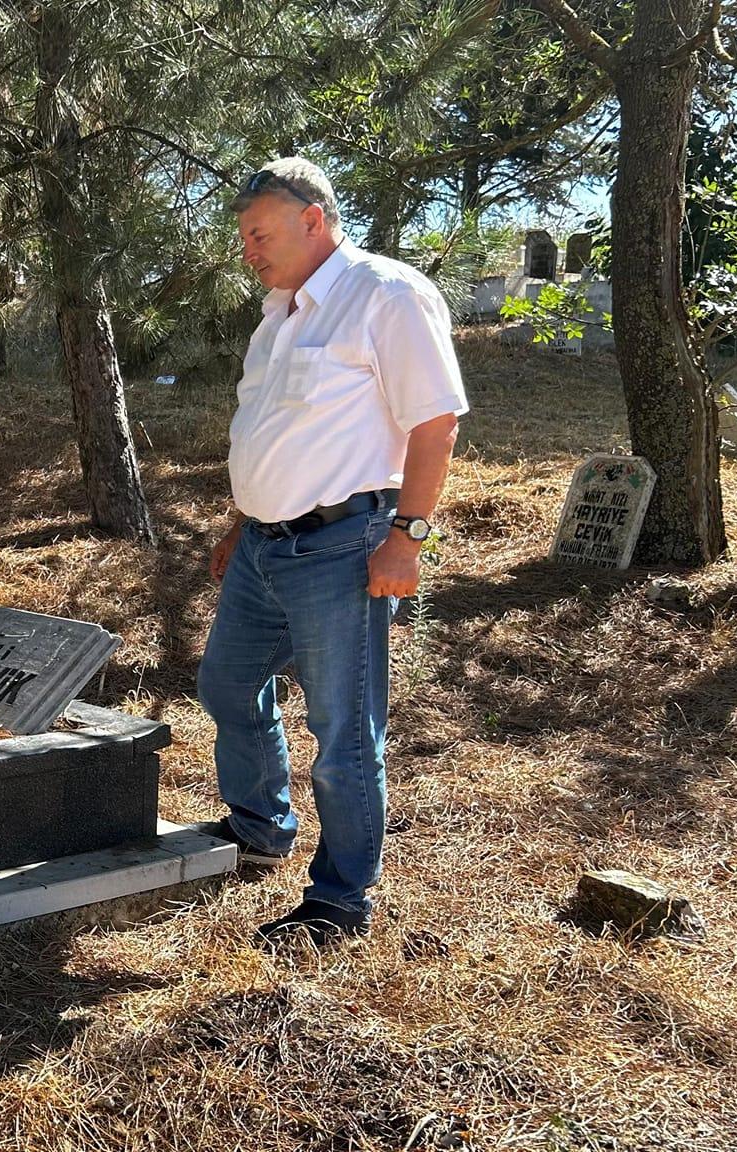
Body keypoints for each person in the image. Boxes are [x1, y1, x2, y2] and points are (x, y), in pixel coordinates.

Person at [194, 158, 466, 948]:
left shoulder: (385, 294)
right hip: (263, 548)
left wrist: (406, 536)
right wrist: (242, 521)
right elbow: (274, 430)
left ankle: (341, 900)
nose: (249, 250)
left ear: (314, 219)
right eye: (243, 236)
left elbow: (435, 423)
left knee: (344, 734)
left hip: (344, 544)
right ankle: (260, 827)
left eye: (260, 232)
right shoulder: (280, 314)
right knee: (228, 686)